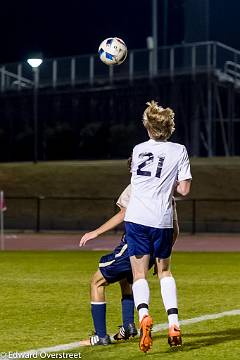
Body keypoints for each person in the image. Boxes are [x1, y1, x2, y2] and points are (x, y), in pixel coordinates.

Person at [124, 100, 192, 353]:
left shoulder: (138, 149)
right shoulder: (179, 150)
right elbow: (184, 190)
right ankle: (174, 323)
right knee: (164, 272)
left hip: (136, 218)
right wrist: (170, 184)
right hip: (161, 220)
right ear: (169, 127)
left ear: (147, 126)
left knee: (139, 274)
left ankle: (144, 317)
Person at [79, 183, 180, 346]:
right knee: (127, 279)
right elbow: (174, 230)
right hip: (156, 248)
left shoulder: (139, 183)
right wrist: (158, 257)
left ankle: (100, 336)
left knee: (96, 282)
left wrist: (96, 232)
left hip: (136, 245)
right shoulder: (166, 189)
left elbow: (124, 212)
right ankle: (129, 326)